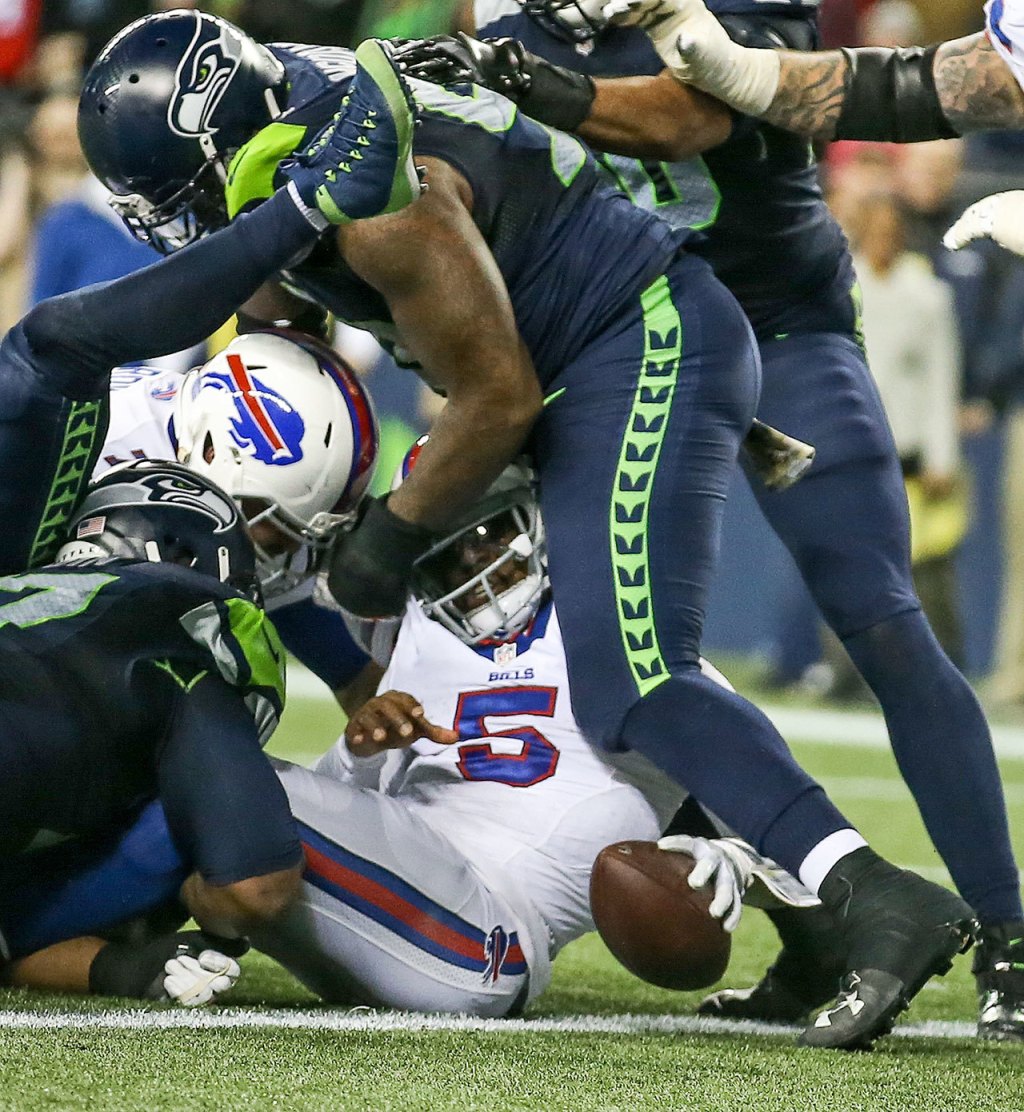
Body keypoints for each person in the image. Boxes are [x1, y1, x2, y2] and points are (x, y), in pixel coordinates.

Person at [78, 11, 980, 1050]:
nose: (183, 224)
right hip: (567, 360)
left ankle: (868, 896)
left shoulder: (376, 201)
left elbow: (494, 396)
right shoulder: (305, 106)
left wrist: (386, 540)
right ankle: (822, 930)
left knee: (631, 673)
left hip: (628, 344)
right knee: (578, 667)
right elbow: (310, 283)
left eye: (180, 197)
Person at [393, 0, 1024, 1039]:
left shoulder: (724, 16)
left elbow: (684, 116)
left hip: (776, 333)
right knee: (631, 657)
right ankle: (820, 931)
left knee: (877, 615)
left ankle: (1005, 927)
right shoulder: (508, 24)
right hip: (605, 352)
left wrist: (521, 80)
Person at [2, 457, 815, 1015]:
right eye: (443, 550)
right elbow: (335, 817)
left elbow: (773, 801)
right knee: (216, 792)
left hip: (488, 938)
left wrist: (736, 860)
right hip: (401, 901)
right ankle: (61, 941)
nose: (469, 559)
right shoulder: (425, 643)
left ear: (539, 520)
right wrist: (361, 752)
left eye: (489, 532)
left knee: (214, 781)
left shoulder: (621, 640)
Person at [98, 329, 384, 714]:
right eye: (272, 525)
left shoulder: (264, 522)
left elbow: (356, 678)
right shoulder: (90, 436)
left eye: (295, 535)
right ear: (210, 450)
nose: (286, 552)